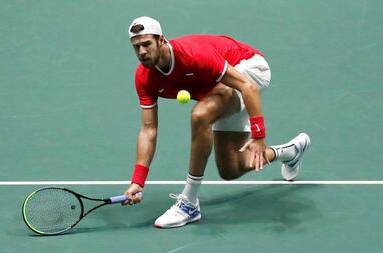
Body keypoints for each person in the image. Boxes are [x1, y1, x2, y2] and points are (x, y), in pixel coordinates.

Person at [123, 16, 311, 228]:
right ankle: (290, 152)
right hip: (220, 87)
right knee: (230, 169)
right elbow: (148, 130)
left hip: (248, 68)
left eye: (146, 44)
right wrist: (138, 182)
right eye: (136, 46)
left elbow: (246, 86)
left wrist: (259, 136)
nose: (142, 52)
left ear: (161, 40)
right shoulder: (144, 78)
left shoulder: (192, 55)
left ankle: (189, 203)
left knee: (200, 115)